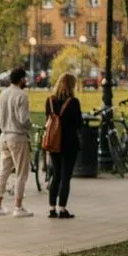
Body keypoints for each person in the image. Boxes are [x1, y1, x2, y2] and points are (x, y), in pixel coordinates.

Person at [0, 66, 33, 217]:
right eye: (25, 78)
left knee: (3, 171)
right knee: (21, 173)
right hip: (18, 137)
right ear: (21, 79)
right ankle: (18, 206)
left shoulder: (3, 94)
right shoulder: (22, 95)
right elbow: (23, 120)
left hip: (4, 136)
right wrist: (30, 126)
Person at [44, 72, 83, 218]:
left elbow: (48, 120)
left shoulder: (50, 101)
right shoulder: (73, 102)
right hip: (69, 143)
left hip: (54, 143)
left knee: (56, 175)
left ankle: (51, 208)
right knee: (66, 176)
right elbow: (78, 123)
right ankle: (62, 208)